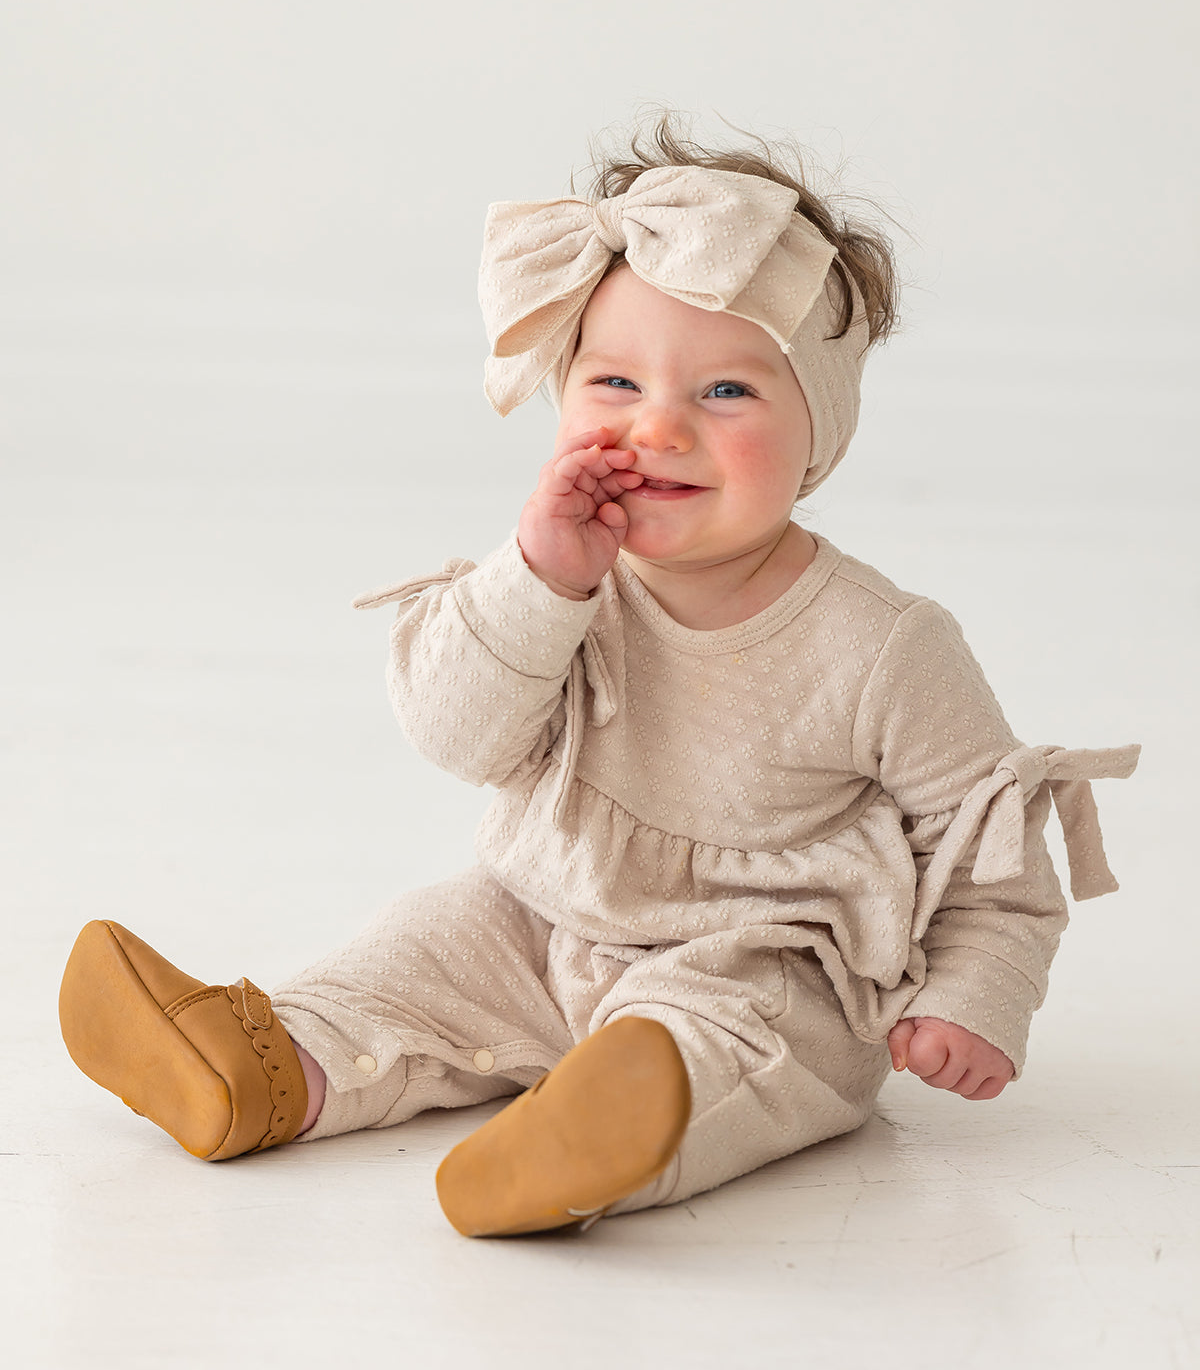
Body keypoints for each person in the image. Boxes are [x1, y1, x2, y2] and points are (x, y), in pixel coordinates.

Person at [59, 113, 1140, 1239]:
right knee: (422, 946)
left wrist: (974, 998)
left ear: (821, 427)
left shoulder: (885, 642)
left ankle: (603, 1135)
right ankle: (262, 1065)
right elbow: (455, 736)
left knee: (734, 1038)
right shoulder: (561, 575)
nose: (659, 425)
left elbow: (989, 848)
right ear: (561, 392)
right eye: (616, 379)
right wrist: (540, 581)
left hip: (761, 957)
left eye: (727, 393)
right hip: (542, 914)